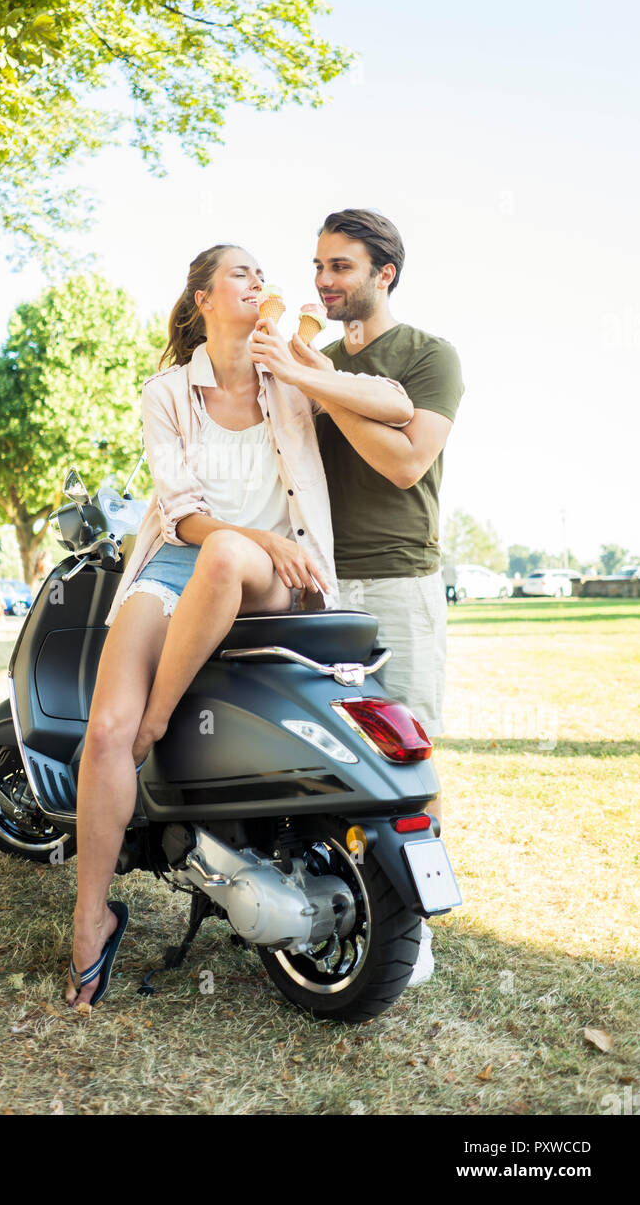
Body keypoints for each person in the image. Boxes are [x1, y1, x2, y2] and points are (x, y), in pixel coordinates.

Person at [64, 243, 414, 1009]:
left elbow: (395, 403)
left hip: (271, 577)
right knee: (101, 732)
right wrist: (259, 538)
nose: (259, 278)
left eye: (262, 271)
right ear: (202, 300)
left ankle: (159, 718)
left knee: (218, 571)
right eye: (239, 273)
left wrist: (295, 365)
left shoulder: (289, 367)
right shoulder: (166, 392)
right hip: (180, 562)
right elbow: (183, 515)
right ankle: (92, 919)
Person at [254, 208, 464, 986]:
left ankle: (414, 932)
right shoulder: (311, 356)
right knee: (319, 753)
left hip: (399, 576)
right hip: (316, 579)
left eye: (340, 267)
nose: (321, 281)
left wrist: (314, 379)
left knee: (406, 760)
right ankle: (321, 901)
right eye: (316, 266)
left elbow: (405, 464)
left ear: (385, 273)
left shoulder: (427, 356)